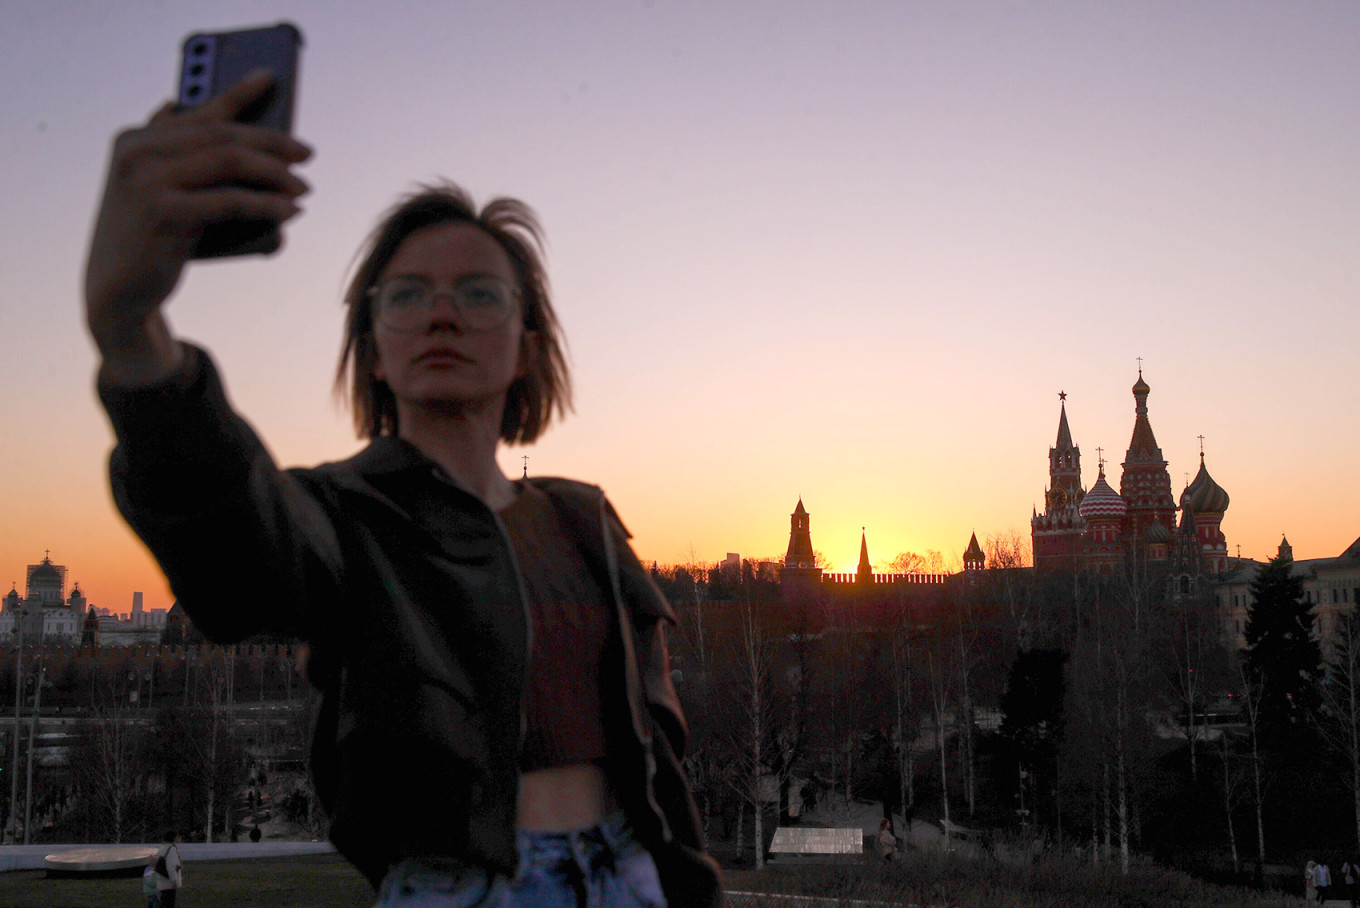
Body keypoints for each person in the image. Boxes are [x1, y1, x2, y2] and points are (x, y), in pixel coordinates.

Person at [85, 73, 720, 908]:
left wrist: (688, 883)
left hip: (633, 877)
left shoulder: (585, 519)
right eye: (408, 295)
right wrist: (132, 333)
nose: (443, 313)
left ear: (527, 348)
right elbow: (237, 555)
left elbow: (656, 750)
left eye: (481, 293)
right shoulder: (348, 514)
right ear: (375, 349)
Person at [156, 832, 183, 908]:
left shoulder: (162, 848)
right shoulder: (172, 849)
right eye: (177, 837)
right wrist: (174, 880)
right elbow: (171, 867)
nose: (179, 839)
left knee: (164, 902)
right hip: (169, 882)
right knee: (169, 903)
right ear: (174, 838)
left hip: (162, 880)